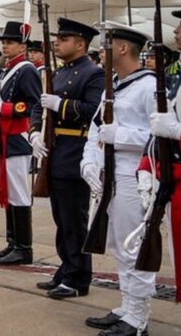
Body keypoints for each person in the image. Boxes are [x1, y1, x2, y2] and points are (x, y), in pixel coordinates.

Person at [82, 22, 155, 335]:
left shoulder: (149, 86)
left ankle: (138, 318)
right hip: (108, 173)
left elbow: (160, 137)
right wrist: (88, 161)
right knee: (115, 242)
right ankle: (127, 306)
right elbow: (97, 126)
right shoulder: (114, 83)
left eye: (106, 44)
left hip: (133, 174)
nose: (101, 50)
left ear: (123, 48)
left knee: (132, 245)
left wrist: (121, 136)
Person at [30, 18, 104, 299]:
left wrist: (60, 105)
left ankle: (77, 278)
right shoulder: (59, 73)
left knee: (74, 219)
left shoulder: (92, 73)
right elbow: (39, 106)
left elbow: (93, 110)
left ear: (81, 44)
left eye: (63, 39)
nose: (56, 43)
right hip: (56, 150)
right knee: (62, 219)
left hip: (76, 151)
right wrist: (34, 132)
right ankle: (66, 268)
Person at [0, 22, 41, 266]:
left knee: (18, 193)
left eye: (10, 42)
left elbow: (33, 105)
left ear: (23, 45)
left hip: (18, 137)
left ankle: (24, 247)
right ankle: (13, 243)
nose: (5, 45)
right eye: (4, 42)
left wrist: (5, 108)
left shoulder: (26, 70)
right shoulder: (10, 68)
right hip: (6, 136)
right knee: (9, 192)